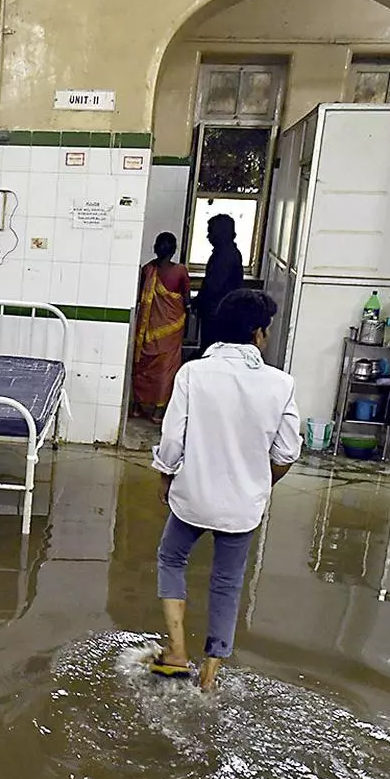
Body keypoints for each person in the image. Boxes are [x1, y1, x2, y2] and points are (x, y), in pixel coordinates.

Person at [148, 289, 301, 690]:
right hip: (242, 508)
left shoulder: (193, 373)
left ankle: (177, 653)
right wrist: (258, 483)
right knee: (228, 582)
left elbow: (171, 441)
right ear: (257, 333)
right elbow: (286, 452)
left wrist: (165, 475)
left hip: (192, 498)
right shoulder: (280, 384)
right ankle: (210, 674)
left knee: (172, 557)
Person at [132, 232, 190, 423]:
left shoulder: (147, 269)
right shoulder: (180, 271)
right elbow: (187, 300)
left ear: (155, 248)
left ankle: (137, 406)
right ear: (174, 250)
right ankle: (158, 412)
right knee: (166, 369)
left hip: (147, 329)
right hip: (172, 329)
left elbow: (140, 297)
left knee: (143, 366)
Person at [192, 214, 244, 353]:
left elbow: (214, 286)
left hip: (217, 313)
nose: (208, 237)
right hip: (219, 311)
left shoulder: (225, 256)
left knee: (211, 349)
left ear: (221, 233)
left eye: (211, 232)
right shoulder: (227, 252)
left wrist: (197, 301)